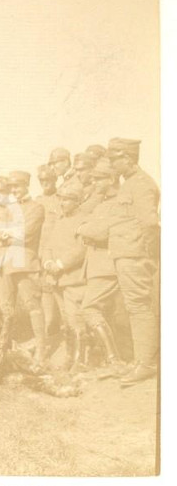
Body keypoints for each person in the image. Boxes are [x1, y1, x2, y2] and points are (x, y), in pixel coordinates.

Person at [106, 138, 160, 386]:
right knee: (133, 307)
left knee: (139, 307)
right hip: (125, 255)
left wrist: (144, 253)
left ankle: (146, 364)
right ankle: (141, 361)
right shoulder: (128, 184)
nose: (111, 164)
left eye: (114, 160)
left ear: (127, 158)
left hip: (135, 256)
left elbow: (150, 224)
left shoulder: (142, 185)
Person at [76, 158, 126, 370]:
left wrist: (83, 230)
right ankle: (110, 359)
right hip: (97, 265)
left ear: (112, 178)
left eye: (99, 179)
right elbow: (88, 224)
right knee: (100, 311)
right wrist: (87, 229)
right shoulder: (102, 203)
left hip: (106, 266)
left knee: (89, 309)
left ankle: (114, 359)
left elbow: (99, 231)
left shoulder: (120, 202)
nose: (94, 182)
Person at [0, 171, 46, 368]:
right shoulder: (9, 209)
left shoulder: (36, 208)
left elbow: (27, 234)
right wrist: (6, 234)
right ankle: (4, 349)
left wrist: (5, 235)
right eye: (11, 188)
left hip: (25, 262)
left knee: (32, 305)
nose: (14, 191)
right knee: (6, 307)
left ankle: (41, 350)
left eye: (17, 187)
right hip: (7, 263)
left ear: (26, 186)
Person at [41, 181, 88, 371]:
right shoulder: (59, 221)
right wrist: (48, 262)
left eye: (67, 200)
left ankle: (80, 360)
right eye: (61, 199)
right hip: (55, 278)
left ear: (77, 201)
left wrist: (60, 264)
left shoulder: (84, 221)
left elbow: (81, 249)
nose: (63, 203)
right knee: (65, 320)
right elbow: (48, 246)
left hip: (73, 278)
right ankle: (69, 356)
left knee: (76, 319)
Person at [36, 164, 63, 337]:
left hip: (57, 253)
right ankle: (47, 330)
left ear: (55, 180)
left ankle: (65, 330)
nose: (45, 183)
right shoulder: (37, 201)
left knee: (61, 291)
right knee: (45, 290)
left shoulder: (61, 198)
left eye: (49, 180)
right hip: (41, 252)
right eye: (42, 180)